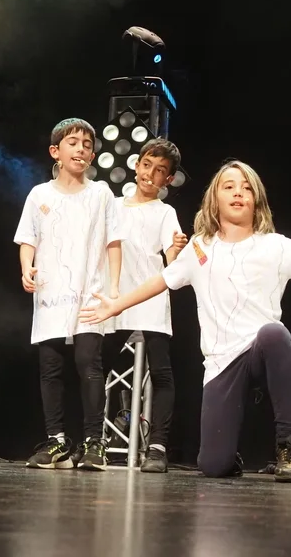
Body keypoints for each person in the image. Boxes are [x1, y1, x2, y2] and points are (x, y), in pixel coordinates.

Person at [80, 160, 291, 483]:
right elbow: (162, 280)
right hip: (222, 364)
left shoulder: (274, 245)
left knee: (275, 333)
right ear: (215, 199)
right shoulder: (200, 248)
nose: (238, 193)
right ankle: (230, 453)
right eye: (229, 187)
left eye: (246, 188)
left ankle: (289, 445)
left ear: (256, 199)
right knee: (213, 466)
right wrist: (117, 305)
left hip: (261, 350)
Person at [15, 118, 123, 471]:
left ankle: (94, 442)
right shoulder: (39, 195)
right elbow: (27, 238)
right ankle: (57, 441)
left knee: (88, 363)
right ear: (55, 151)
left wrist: (114, 289)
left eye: (87, 145)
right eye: (73, 142)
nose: (81, 149)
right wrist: (27, 267)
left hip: (90, 292)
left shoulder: (101, 194)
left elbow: (114, 242)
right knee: (51, 367)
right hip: (50, 291)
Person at [112, 137, 189, 473]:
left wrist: (177, 249)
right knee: (97, 365)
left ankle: (157, 447)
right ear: (136, 165)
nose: (150, 174)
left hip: (152, 297)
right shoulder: (113, 206)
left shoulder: (165, 212)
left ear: (168, 179)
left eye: (159, 171)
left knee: (160, 372)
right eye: (147, 165)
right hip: (116, 297)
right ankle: (93, 439)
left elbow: (172, 259)